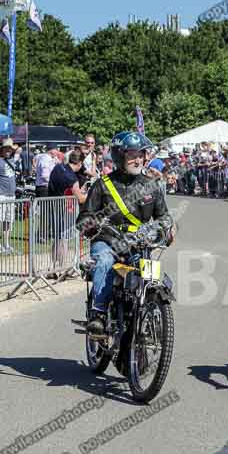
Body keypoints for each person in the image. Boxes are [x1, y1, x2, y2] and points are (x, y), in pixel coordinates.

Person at [77, 132, 174, 336]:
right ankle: (99, 314)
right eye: (132, 155)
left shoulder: (151, 185)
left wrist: (167, 228)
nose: (137, 159)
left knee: (150, 275)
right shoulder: (103, 184)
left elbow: (163, 216)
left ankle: (148, 310)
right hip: (108, 241)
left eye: (141, 154)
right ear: (120, 156)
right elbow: (84, 218)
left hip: (139, 244)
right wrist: (91, 225)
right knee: (104, 261)